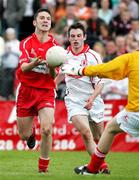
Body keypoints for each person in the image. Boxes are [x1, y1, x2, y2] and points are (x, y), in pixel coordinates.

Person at [61, 29, 139, 175]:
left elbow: (105, 69)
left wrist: (80, 71)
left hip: (138, 112)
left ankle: (92, 168)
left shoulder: (132, 58)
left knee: (110, 129)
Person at [55, 22, 110, 174]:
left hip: (94, 100)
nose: (76, 39)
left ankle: (96, 164)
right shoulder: (63, 56)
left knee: (100, 137)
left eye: (79, 36)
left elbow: (100, 82)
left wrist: (92, 99)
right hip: (73, 100)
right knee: (86, 132)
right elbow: (61, 73)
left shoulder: (94, 56)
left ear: (84, 37)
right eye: (72, 36)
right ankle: (102, 166)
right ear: (68, 38)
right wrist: (53, 85)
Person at [16, 8, 58, 173]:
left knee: (47, 129)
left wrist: (52, 67)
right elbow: (24, 68)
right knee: (23, 136)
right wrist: (37, 63)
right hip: (26, 90)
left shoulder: (55, 48)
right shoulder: (26, 43)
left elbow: (54, 75)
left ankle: (43, 167)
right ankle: (31, 134)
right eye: (42, 18)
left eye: (48, 18)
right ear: (35, 22)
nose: (46, 20)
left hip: (45, 91)